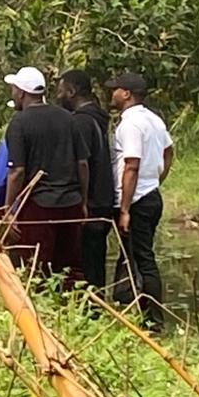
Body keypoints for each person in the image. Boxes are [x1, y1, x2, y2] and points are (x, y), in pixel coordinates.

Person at [3, 67, 88, 286]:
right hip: (71, 204)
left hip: (38, 207)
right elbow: (82, 163)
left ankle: (38, 316)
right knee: (70, 269)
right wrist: (83, 201)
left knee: (35, 268)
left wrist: (9, 210)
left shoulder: (19, 123)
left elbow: (17, 171)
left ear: (21, 93)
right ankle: (70, 312)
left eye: (13, 89)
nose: (12, 94)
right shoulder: (68, 118)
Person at [106, 72, 174, 331]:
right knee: (134, 255)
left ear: (127, 94)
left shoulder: (130, 124)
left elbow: (131, 165)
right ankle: (134, 307)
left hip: (137, 200)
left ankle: (153, 321)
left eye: (116, 89)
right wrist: (157, 179)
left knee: (143, 259)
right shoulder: (153, 119)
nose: (112, 94)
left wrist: (124, 208)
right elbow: (169, 151)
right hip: (150, 195)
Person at [56, 69, 115, 292]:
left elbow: (81, 163)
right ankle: (96, 305)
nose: (59, 96)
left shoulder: (81, 122)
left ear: (71, 91)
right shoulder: (97, 117)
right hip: (102, 198)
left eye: (61, 91)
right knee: (95, 259)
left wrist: (80, 200)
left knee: (86, 261)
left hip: (90, 202)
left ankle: (91, 308)